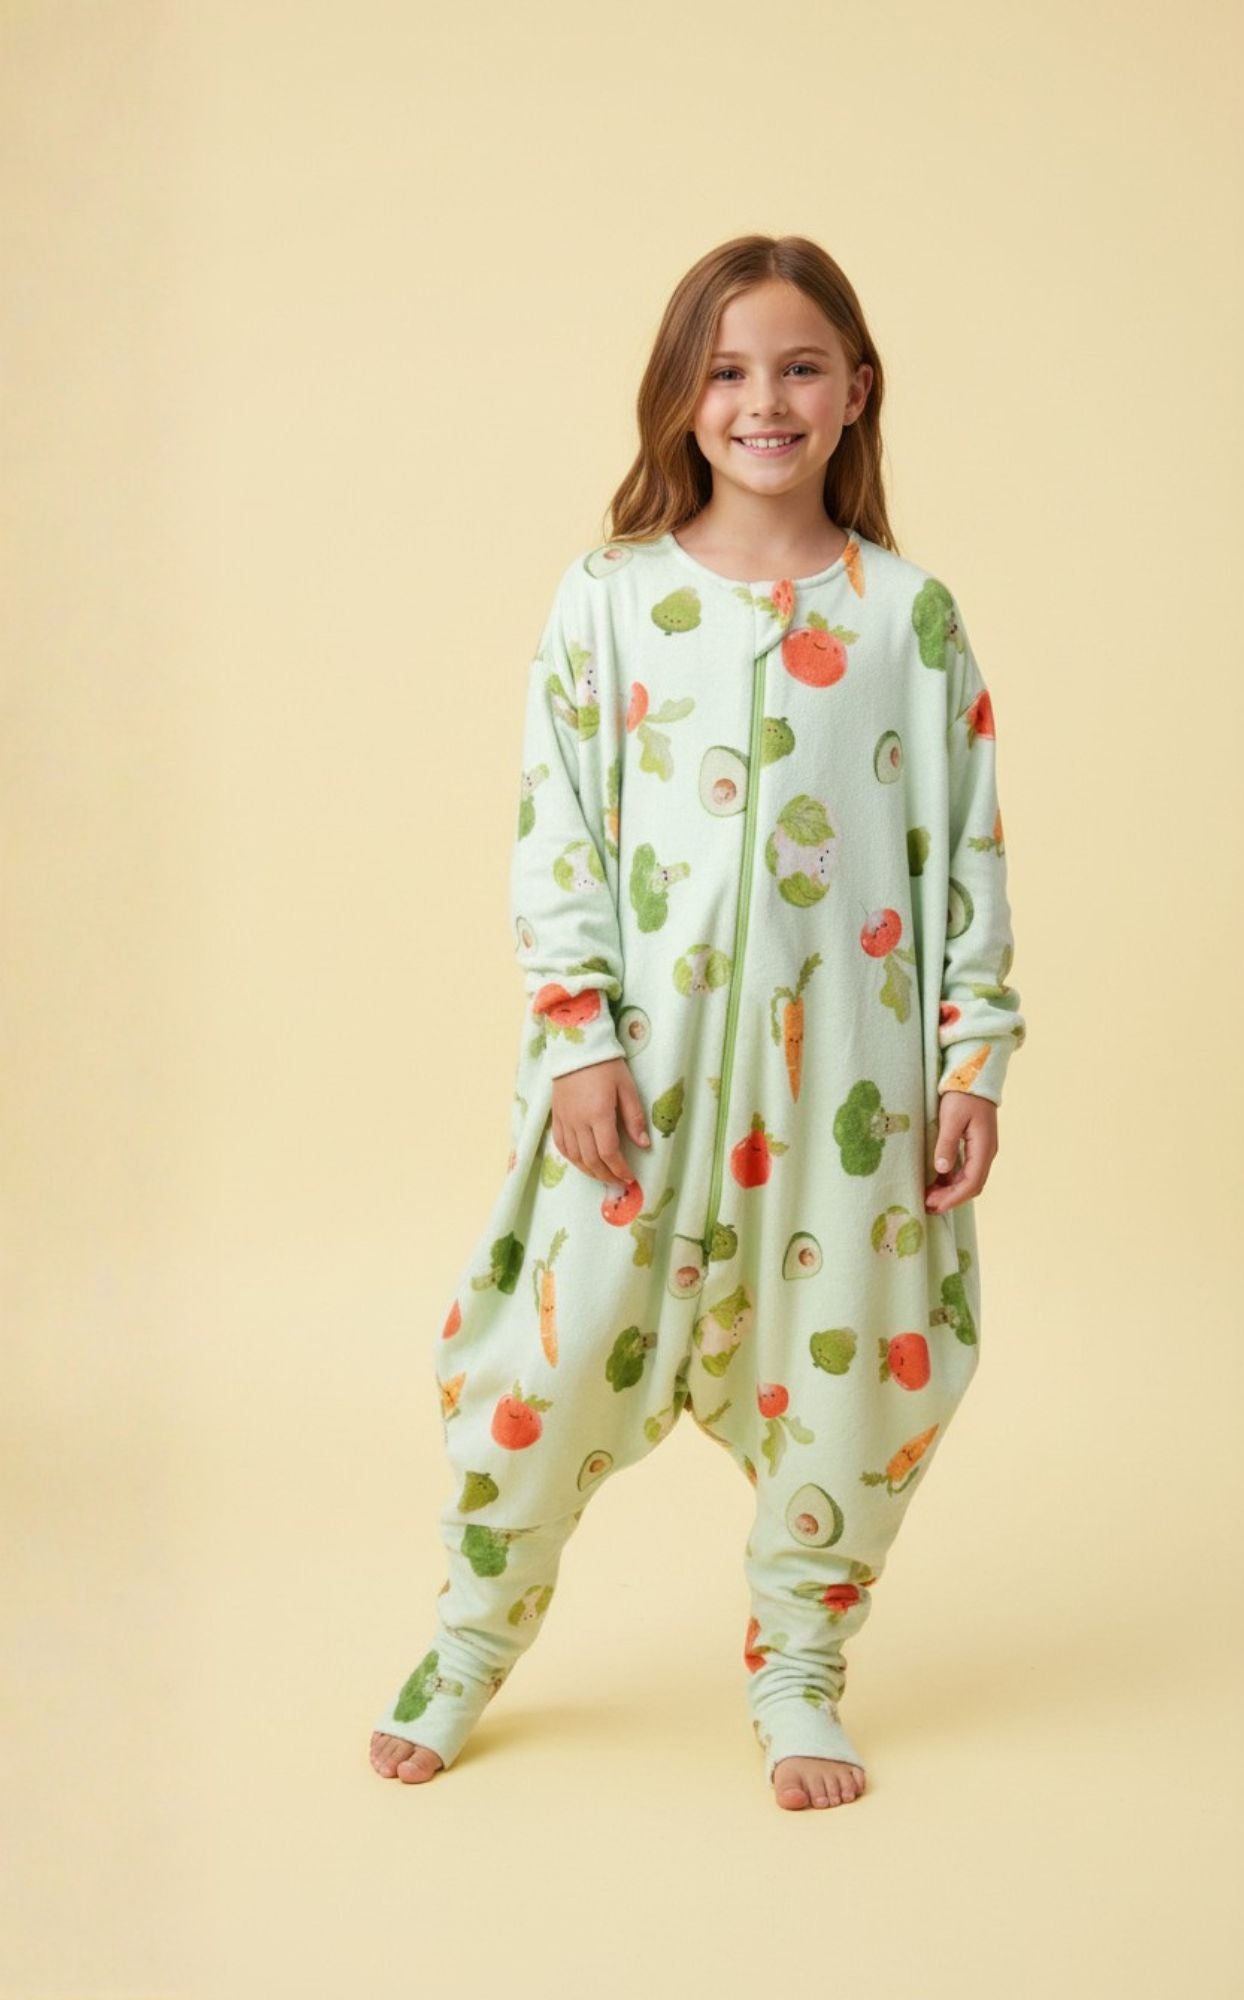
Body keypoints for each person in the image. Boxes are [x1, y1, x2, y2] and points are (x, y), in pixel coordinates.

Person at [369, 233, 1026, 1811]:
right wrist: (578, 1033)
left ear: (857, 390)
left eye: (800, 366)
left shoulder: (908, 617)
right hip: (640, 1087)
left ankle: (800, 1669)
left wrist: (973, 1060)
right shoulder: (611, 602)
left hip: (845, 1098)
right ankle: (468, 1641)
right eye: (727, 370)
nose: (764, 400)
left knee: (850, 1389)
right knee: (544, 1371)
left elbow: (968, 850)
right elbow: (559, 827)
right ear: (678, 395)